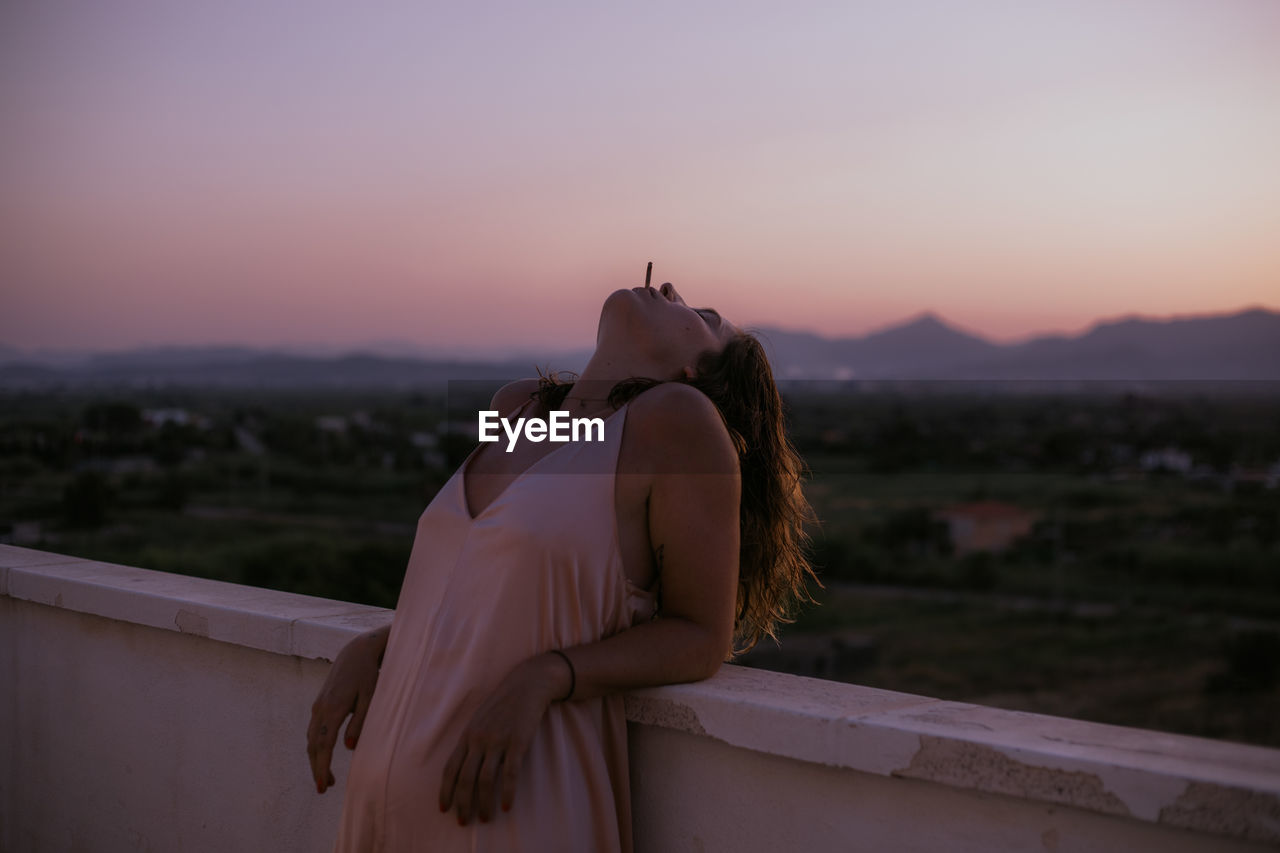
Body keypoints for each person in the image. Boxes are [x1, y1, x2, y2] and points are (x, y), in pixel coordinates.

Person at [306, 279, 817, 852]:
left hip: (515, 804)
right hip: (385, 808)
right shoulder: (519, 408)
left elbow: (701, 635)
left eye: (702, 315)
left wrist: (546, 675)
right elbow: (492, 583)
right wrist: (377, 646)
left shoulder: (676, 421)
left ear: (697, 374)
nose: (671, 286)